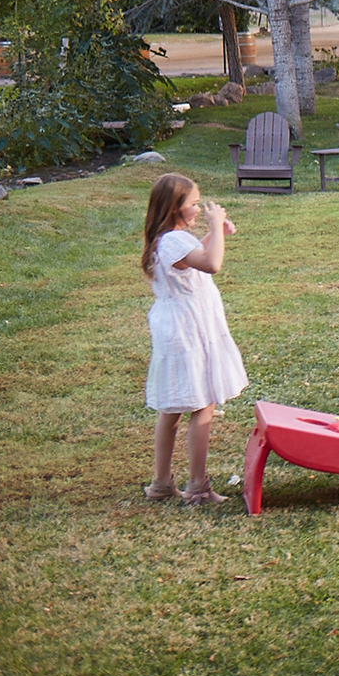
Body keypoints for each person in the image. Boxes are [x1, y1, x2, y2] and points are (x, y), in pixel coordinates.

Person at [141, 173, 248, 505]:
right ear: (176, 208)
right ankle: (198, 487)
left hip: (179, 328)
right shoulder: (173, 240)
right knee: (203, 404)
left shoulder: (168, 239)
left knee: (172, 408)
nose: (200, 208)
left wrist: (210, 235)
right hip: (190, 330)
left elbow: (190, 259)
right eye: (194, 204)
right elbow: (212, 264)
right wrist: (216, 228)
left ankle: (161, 484)